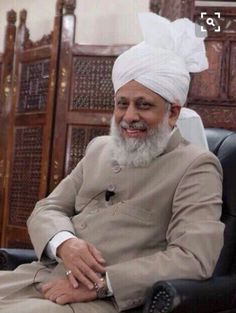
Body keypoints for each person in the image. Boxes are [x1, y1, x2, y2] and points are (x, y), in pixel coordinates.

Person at [0, 13, 224, 313]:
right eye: (122, 104)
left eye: (143, 105)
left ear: (172, 112)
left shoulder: (195, 165)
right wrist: (65, 243)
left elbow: (194, 257)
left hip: (98, 300)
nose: (129, 116)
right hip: (34, 279)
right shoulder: (100, 149)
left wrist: (103, 283)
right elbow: (48, 209)